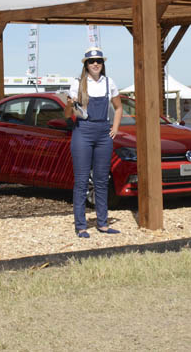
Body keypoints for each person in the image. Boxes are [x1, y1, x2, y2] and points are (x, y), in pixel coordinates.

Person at [64, 47, 123, 238]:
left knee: (101, 180)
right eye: (91, 61)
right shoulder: (77, 83)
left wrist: (115, 128)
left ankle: (103, 223)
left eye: (99, 61)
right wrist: (69, 104)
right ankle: (81, 226)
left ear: (103, 64)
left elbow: (119, 107)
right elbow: (67, 115)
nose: (95, 64)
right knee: (81, 181)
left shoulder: (109, 83)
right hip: (83, 131)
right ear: (86, 64)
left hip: (103, 133)